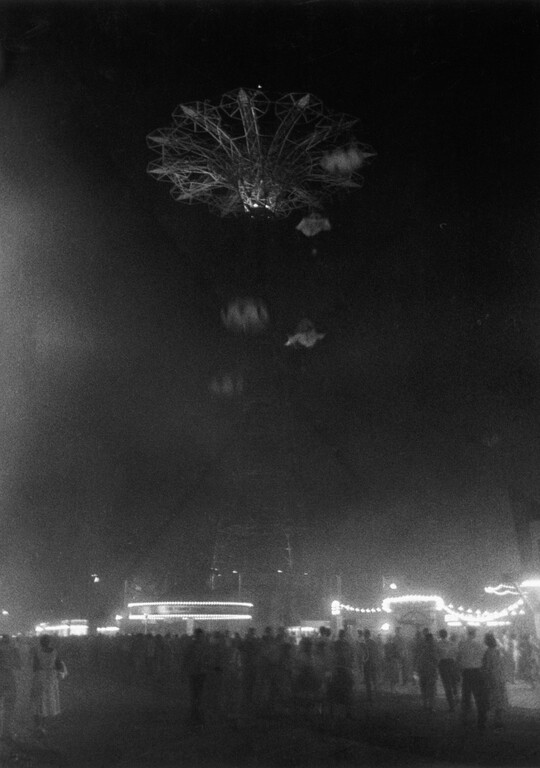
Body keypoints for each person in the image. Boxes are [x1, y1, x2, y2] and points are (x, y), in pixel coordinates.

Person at [30, 634, 66, 737]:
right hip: (50, 678)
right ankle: (43, 727)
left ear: (40, 642)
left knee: (38, 702)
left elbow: (34, 666)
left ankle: (38, 727)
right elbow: (59, 665)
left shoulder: (37, 652)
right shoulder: (54, 652)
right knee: (47, 702)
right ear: (49, 642)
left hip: (40, 677)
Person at [457, 627, 488, 730]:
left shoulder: (462, 644)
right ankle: (481, 720)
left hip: (466, 673)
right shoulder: (479, 645)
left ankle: (466, 719)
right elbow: (484, 656)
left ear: (467, 633)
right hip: (477, 672)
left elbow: (459, 658)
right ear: (474, 633)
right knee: (479, 697)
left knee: (466, 697)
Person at [482, 632, 508, 729]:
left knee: (494, 698)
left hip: (493, 678)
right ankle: (499, 719)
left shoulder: (488, 652)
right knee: (500, 698)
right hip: (500, 677)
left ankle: (497, 721)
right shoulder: (497, 651)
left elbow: (487, 667)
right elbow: (502, 664)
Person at [182, 628, 209, 724]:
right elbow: (186, 659)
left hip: (199, 673)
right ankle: (196, 713)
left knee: (198, 694)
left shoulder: (202, 647)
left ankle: (196, 713)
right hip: (196, 672)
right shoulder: (197, 647)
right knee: (196, 694)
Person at [0, 635, 21, 741]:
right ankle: (6, 733)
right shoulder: (12, 650)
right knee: (9, 707)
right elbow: (18, 665)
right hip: (9, 678)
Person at [437, 629, 459, 711]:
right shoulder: (451, 643)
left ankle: (451, 704)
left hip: (443, 664)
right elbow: (457, 653)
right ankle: (456, 696)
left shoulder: (437, 644)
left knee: (446, 684)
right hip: (451, 662)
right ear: (446, 635)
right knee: (453, 681)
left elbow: (436, 655)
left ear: (440, 635)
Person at [417, 632, 438, 712]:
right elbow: (436, 659)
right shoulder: (433, 648)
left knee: (424, 688)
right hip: (431, 670)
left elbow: (418, 659)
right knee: (432, 689)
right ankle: (431, 706)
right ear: (431, 639)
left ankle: (425, 704)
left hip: (423, 670)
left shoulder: (422, 648)